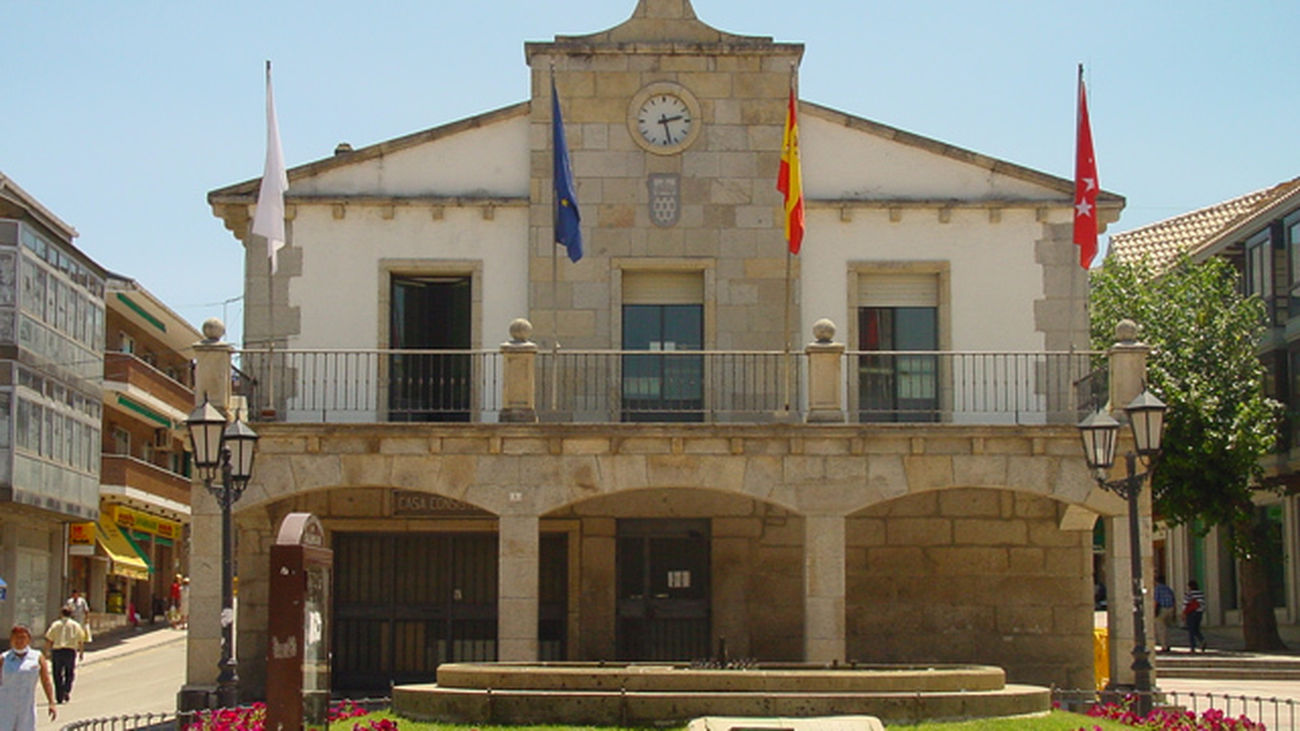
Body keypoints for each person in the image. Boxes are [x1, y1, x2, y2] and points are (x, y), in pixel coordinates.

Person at [0, 625, 57, 729]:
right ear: (11, 640)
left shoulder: (37, 657)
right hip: (5, 706)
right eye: (16, 638)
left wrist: (51, 702)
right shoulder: (4, 659)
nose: (19, 641)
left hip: (26, 706)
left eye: (22, 637)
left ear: (28, 639)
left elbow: (46, 680)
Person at [43, 608, 88, 704]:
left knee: (57, 673)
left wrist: (46, 652)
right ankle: (66, 690)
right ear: (71, 614)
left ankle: (59, 695)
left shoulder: (55, 624)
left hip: (57, 651)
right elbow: (81, 640)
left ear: (61, 614)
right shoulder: (76, 625)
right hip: (70, 651)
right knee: (69, 673)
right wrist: (81, 653)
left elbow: (49, 639)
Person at [1154, 575, 1176, 652]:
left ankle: (1164, 646)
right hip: (1170, 609)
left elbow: (1156, 601)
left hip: (1162, 609)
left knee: (1160, 628)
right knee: (1167, 628)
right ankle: (1168, 643)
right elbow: (1173, 599)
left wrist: (1154, 611)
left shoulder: (1157, 589)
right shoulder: (1168, 589)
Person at [1183, 579, 1207, 652]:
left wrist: (1183, 613)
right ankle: (1202, 640)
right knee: (1196, 628)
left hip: (1191, 613)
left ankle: (1193, 646)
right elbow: (1203, 604)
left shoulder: (1189, 594)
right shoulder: (1201, 593)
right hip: (1199, 613)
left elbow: (1185, 603)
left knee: (1191, 630)